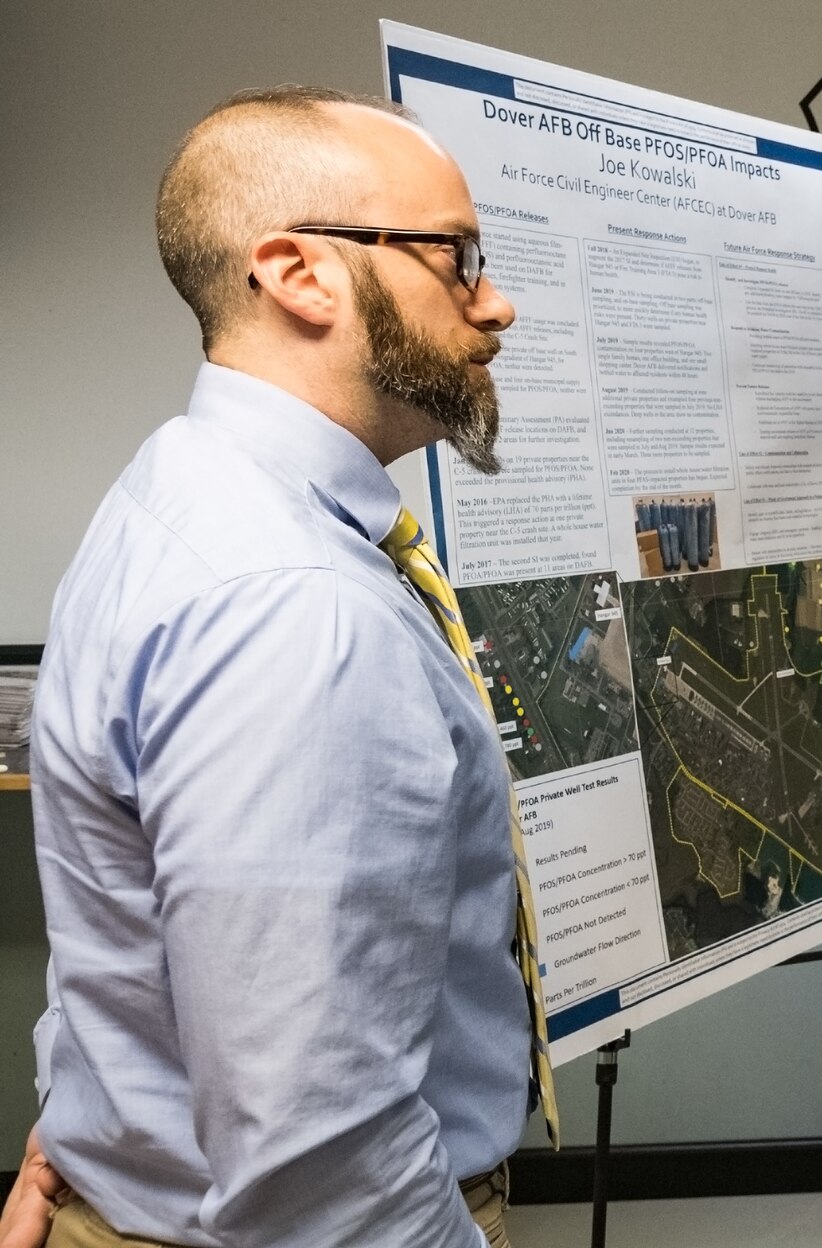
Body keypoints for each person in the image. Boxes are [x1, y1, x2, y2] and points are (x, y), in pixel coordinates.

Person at [29, 85, 537, 1246]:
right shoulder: (292, 608)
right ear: (301, 275)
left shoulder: (182, 492)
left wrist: (76, 1129)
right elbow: (321, 1159)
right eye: (454, 257)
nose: (494, 304)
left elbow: (130, 931)